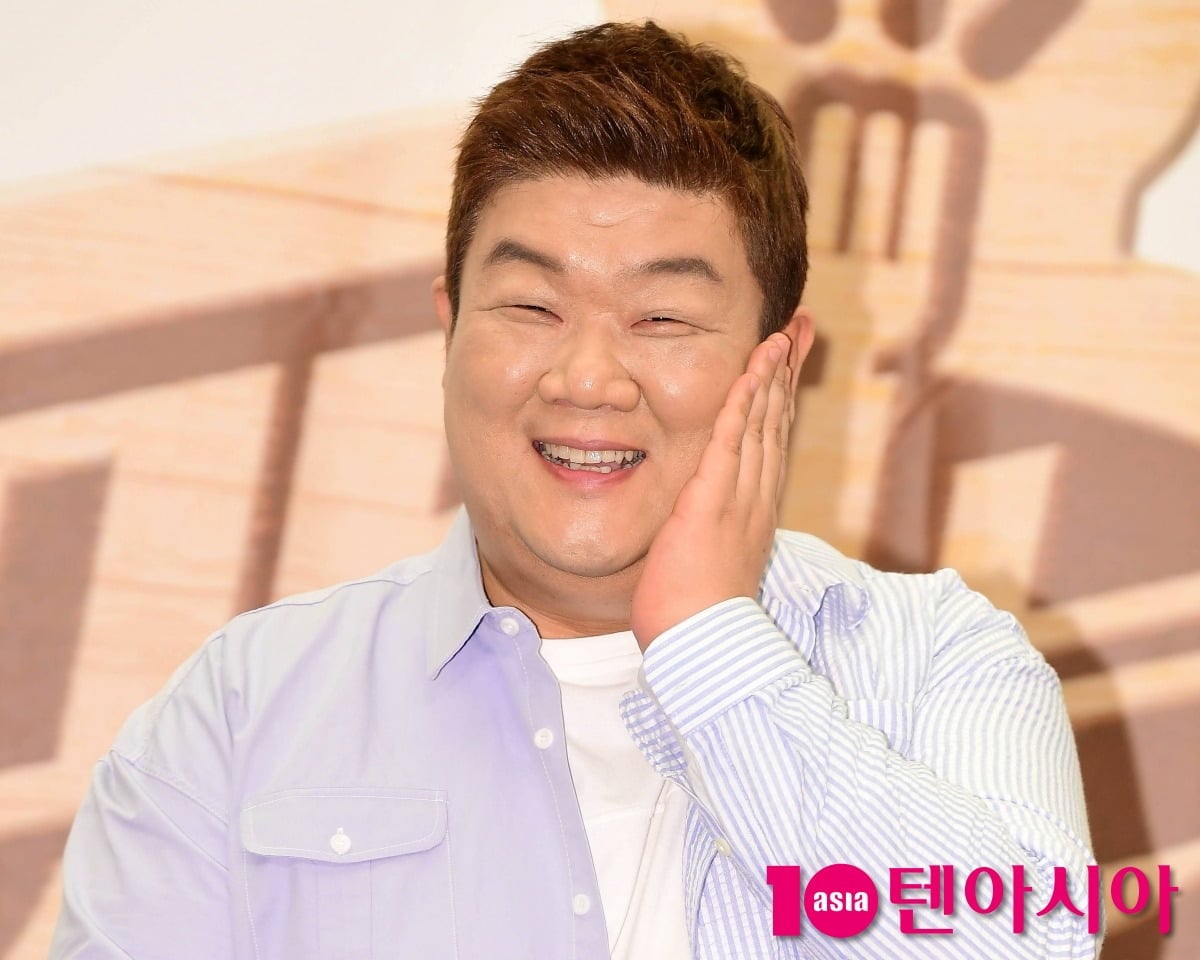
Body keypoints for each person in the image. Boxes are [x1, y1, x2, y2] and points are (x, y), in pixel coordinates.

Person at [49, 20, 1097, 960]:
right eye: (531, 307)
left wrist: (708, 641)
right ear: (449, 325)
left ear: (778, 362)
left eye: (662, 319)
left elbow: (1034, 948)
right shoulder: (241, 712)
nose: (587, 379)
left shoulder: (942, 663)